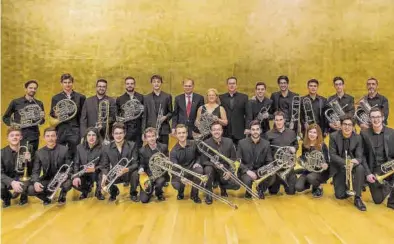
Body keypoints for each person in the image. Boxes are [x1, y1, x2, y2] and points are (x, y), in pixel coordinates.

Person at [2, 80, 45, 176]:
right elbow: (5, 117)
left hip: (33, 136)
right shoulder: (16, 102)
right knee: (19, 159)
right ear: (25, 89)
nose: (33, 90)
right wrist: (13, 125)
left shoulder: (39, 103)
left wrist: (42, 118)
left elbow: (41, 122)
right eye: (30, 88)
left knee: (31, 159)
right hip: (19, 135)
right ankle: (17, 180)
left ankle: (29, 181)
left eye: (35, 88)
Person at [329, 116, 367, 211]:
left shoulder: (358, 138)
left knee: (360, 168)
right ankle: (347, 185)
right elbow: (333, 155)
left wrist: (356, 161)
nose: (347, 127)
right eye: (345, 124)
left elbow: (359, 155)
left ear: (353, 126)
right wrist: (346, 162)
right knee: (340, 196)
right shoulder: (333, 136)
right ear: (341, 126)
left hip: (353, 165)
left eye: (349, 125)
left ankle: (357, 197)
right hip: (339, 166)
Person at [28, 127, 72, 205]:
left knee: (68, 183)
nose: (50, 138)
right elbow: (35, 171)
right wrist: (36, 182)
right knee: (31, 189)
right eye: (48, 136)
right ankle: (46, 197)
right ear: (44, 138)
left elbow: (69, 166)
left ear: (56, 137)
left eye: (52, 136)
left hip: (61, 178)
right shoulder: (39, 153)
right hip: (47, 179)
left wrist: (66, 175)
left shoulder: (64, 150)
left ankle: (63, 194)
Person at [360, 108, 394, 210]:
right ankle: (390, 185)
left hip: (389, 167)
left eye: (378, 117)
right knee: (378, 200)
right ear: (370, 119)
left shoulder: (392, 132)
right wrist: (368, 173)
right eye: (373, 117)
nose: (376, 120)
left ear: (383, 118)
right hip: (374, 170)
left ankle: (392, 201)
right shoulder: (364, 134)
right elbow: (361, 155)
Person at [200, 122, 240, 205]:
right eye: (214, 130)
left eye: (218, 129)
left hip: (224, 170)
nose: (216, 132)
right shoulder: (206, 143)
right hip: (212, 170)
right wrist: (214, 164)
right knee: (208, 169)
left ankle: (222, 186)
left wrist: (230, 171)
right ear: (211, 132)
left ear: (222, 131)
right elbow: (203, 161)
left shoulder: (229, 142)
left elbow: (233, 159)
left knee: (236, 185)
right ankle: (209, 193)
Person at [100, 123, 139, 202]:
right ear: (112, 134)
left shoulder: (132, 145)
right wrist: (104, 175)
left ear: (124, 134)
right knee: (102, 175)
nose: (118, 136)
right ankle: (114, 192)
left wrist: (126, 169)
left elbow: (136, 163)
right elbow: (105, 165)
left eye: (121, 133)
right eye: (116, 133)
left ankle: (133, 193)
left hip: (128, 172)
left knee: (135, 173)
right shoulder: (106, 148)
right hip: (116, 174)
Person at [50, 73, 86, 158]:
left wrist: (82, 132)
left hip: (75, 129)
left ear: (72, 83)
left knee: (75, 153)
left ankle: (73, 171)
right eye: (65, 82)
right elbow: (52, 114)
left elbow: (83, 116)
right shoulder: (56, 98)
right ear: (61, 84)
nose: (67, 84)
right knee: (59, 153)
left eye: (69, 82)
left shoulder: (80, 97)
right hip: (61, 128)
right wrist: (56, 114)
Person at [264, 111, 298, 195]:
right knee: (273, 192)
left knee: (291, 192)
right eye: (276, 120)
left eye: (280, 120)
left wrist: (294, 148)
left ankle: (289, 178)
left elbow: (296, 144)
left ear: (284, 120)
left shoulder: (291, 133)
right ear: (274, 121)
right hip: (275, 166)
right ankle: (278, 180)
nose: (279, 122)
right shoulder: (268, 134)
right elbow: (266, 152)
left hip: (288, 165)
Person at [237, 120, 273, 199]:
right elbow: (238, 161)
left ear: (260, 130)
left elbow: (269, 160)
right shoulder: (241, 143)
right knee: (247, 180)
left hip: (260, 170)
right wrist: (247, 171)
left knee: (272, 176)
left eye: (257, 129)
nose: (255, 132)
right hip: (247, 170)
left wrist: (266, 170)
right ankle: (248, 190)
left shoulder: (266, 144)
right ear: (250, 131)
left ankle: (261, 190)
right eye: (253, 130)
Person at [170, 124, 203, 203]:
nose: (182, 135)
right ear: (176, 135)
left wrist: (197, 163)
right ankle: (180, 192)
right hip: (181, 174)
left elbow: (199, 155)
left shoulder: (193, 144)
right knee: (176, 184)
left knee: (199, 170)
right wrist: (181, 178)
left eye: (183, 133)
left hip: (192, 170)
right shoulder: (173, 151)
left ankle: (194, 194)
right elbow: (174, 169)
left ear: (187, 134)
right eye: (179, 133)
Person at [295, 124, 329, 197]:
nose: (312, 134)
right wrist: (301, 160)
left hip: (319, 172)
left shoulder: (322, 145)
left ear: (318, 134)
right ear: (307, 133)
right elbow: (304, 156)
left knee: (311, 177)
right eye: (310, 132)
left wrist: (325, 164)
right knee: (298, 187)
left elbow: (327, 161)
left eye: (315, 132)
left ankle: (319, 186)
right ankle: (309, 183)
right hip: (308, 170)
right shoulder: (304, 144)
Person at [1, 127, 31, 207]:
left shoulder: (27, 150)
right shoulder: (1, 153)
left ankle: (23, 195)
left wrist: (29, 160)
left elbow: (33, 171)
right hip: (8, 179)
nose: (15, 137)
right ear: (7, 138)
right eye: (12, 135)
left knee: (27, 180)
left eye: (17, 135)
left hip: (22, 178)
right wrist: (12, 182)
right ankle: (7, 198)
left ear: (21, 137)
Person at [72, 127, 104, 200]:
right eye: (89, 135)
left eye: (93, 135)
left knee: (103, 174)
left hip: (97, 173)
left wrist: (94, 169)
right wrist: (76, 176)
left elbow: (104, 164)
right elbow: (76, 163)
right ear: (86, 137)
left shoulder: (103, 148)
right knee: (73, 180)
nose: (91, 137)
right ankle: (85, 190)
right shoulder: (79, 147)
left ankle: (98, 191)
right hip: (84, 173)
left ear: (97, 137)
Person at [138, 127, 168, 203]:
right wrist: (141, 169)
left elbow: (166, 161)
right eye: (148, 136)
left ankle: (159, 193)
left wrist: (166, 161)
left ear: (156, 136)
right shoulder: (142, 150)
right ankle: (150, 191)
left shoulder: (163, 147)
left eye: (153, 136)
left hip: (160, 175)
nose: (151, 138)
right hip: (148, 176)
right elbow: (141, 164)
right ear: (145, 138)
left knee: (160, 182)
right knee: (144, 200)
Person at [142, 75, 173, 147]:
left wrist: (165, 117)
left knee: (164, 150)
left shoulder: (167, 96)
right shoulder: (146, 97)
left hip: (164, 130)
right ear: (151, 83)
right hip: (151, 130)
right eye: (154, 82)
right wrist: (143, 132)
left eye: (158, 82)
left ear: (161, 83)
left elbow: (171, 112)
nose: (156, 84)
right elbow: (145, 116)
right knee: (152, 150)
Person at [116, 76, 144, 147]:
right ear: (125, 85)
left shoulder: (141, 97)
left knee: (138, 149)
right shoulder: (120, 99)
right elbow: (117, 114)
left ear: (134, 85)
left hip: (138, 129)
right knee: (126, 149)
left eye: (131, 83)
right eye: (128, 84)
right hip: (126, 129)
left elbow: (145, 114)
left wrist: (143, 109)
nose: (130, 85)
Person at [219, 77, 249, 145]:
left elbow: (248, 114)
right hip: (225, 131)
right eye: (230, 84)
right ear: (227, 85)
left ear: (236, 85)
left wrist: (247, 128)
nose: (232, 85)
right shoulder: (221, 97)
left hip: (240, 131)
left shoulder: (244, 97)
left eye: (233, 83)